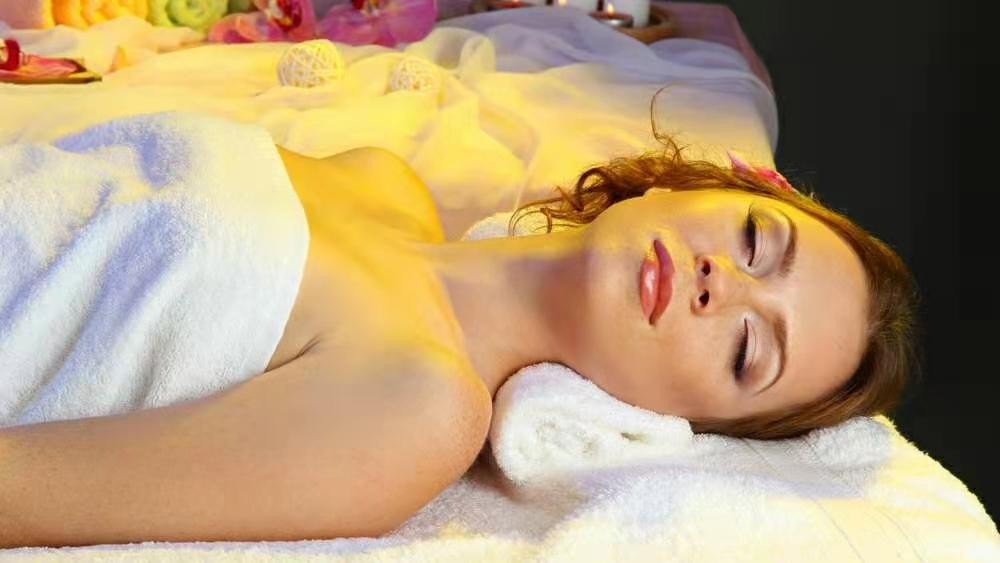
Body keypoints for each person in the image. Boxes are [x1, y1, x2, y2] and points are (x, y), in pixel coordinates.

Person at [0, 117, 919, 548]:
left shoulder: (419, 410)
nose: (725, 284)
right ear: (690, 186)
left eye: (749, 350)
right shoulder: (383, 177)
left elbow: (34, 491)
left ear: (680, 422)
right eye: (756, 239)